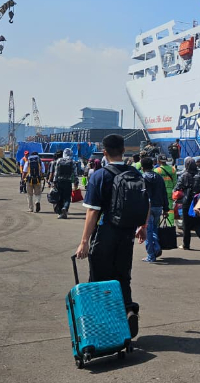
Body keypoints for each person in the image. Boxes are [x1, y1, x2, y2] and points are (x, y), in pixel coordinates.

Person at [75, 134, 148, 338]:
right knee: (123, 277)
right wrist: (143, 226)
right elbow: (146, 202)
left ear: (104, 152)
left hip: (106, 232)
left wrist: (84, 242)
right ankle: (128, 310)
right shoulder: (136, 173)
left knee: (99, 278)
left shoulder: (99, 175)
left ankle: (103, 325)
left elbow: (92, 212)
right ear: (124, 150)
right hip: (127, 235)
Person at [176, 157, 200, 250]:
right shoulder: (199, 174)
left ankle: (186, 244)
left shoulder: (184, 175)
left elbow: (177, 187)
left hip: (187, 202)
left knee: (186, 224)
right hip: (198, 202)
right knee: (196, 222)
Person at [141, 156, 169, 262]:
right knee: (154, 230)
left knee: (147, 231)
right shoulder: (159, 177)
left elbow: (142, 194)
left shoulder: (142, 178)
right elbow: (164, 193)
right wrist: (166, 208)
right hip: (158, 206)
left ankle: (151, 255)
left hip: (147, 207)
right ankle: (156, 248)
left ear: (142, 167)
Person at [50, 148, 76, 219]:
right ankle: (65, 208)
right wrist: (76, 182)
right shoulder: (72, 161)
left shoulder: (59, 160)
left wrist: (54, 181)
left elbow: (56, 172)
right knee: (67, 197)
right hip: (68, 182)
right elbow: (75, 173)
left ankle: (60, 213)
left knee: (60, 197)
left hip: (59, 182)